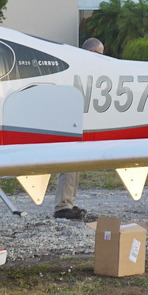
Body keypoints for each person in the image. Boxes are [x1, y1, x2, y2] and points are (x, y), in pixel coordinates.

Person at [54, 37, 105, 220]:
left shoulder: (75, 66)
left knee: (73, 164)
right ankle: (63, 206)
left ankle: (66, 203)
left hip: (71, 120)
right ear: (92, 53)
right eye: (101, 54)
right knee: (70, 162)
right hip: (69, 121)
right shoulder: (77, 68)